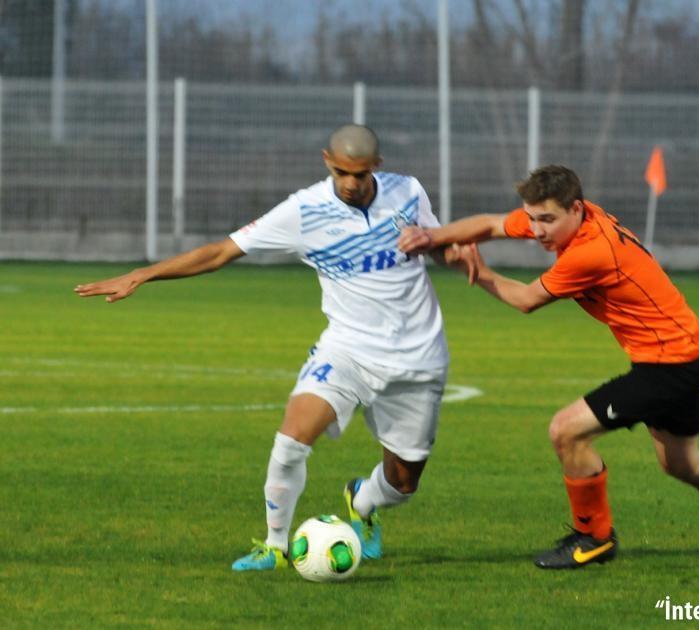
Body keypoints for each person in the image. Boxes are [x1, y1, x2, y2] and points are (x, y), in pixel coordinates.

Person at [75, 124, 474, 571]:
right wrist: (142, 274)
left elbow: (436, 245)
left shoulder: (408, 192)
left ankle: (362, 501)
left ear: (376, 167)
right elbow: (221, 252)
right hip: (346, 349)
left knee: (403, 483)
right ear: (327, 161)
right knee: (291, 438)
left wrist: (456, 255)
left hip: (418, 356)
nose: (350, 183)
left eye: (360, 174)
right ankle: (275, 546)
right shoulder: (304, 210)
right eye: (341, 172)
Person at [398, 164, 699, 570]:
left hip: (668, 365)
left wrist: (475, 270)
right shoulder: (573, 215)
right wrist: (431, 237)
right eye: (532, 218)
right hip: (686, 353)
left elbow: (526, 300)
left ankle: (593, 536)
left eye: (547, 220)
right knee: (683, 464)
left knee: (566, 431)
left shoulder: (590, 253)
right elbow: (490, 224)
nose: (538, 230)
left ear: (576, 209)